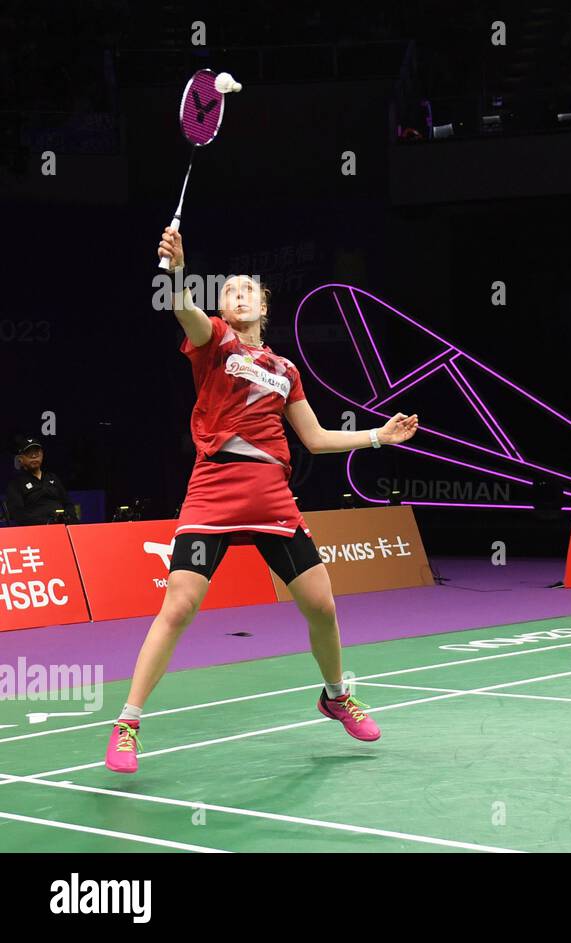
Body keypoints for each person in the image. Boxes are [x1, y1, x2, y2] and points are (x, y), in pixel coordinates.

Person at [105, 226, 420, 775]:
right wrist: (178, 269)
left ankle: (335, 695)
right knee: (178, 606)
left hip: (272, 494)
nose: (238, 295)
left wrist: (377, 436)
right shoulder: (214, 342)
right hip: (213, 491)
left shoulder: (285, 370)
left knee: (321, 606)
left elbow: (316, 439)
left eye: (248, 290)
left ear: (265, 305)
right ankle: (128, 723)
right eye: (229, 291)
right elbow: (183, 309)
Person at [6, 437, 79, 525]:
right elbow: (18, 514)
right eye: (29, 453)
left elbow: (68, 504)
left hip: (63, 526)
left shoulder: (52, 477)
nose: (33, 456)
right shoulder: (16, 483)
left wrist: (70, 520)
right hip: (37, 531)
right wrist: (46, 522)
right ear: (20, 458)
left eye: (37, 452)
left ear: (42, 455)